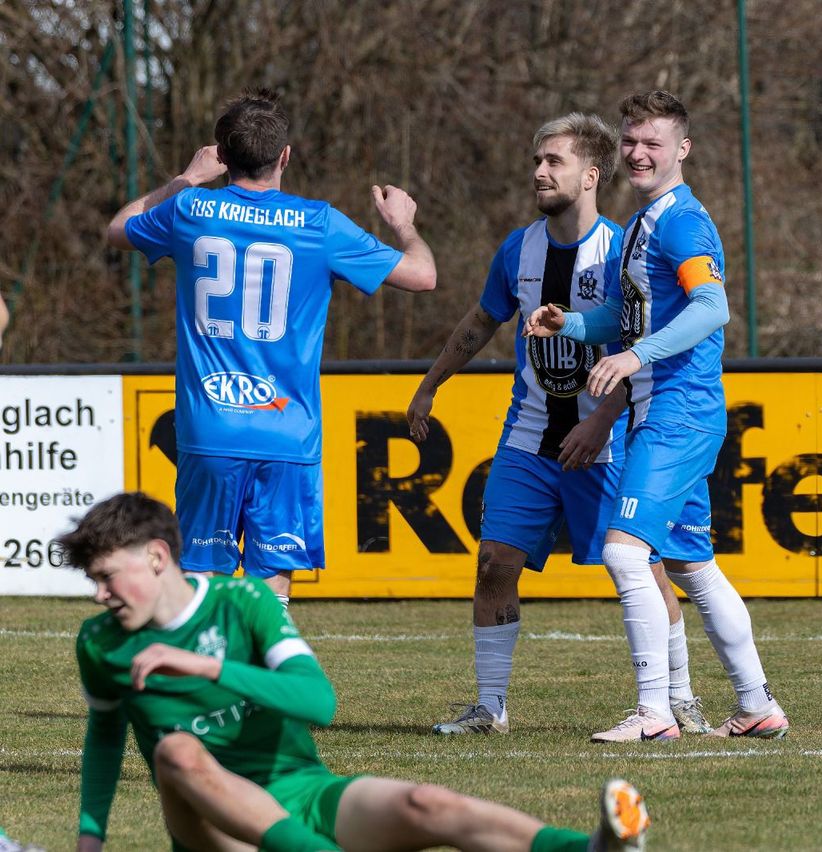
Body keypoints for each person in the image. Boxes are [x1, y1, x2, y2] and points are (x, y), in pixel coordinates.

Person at [62, 491, 651, 852]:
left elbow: (319, 704)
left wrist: (207, 666)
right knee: (177, 755)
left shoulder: (242, 603)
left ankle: (591, 848)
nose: (100, 594)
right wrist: (90, 838)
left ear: (157, 558)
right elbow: (105, 738)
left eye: (107, 575)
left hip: (304, 794)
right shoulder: (101, 642)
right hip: (216, 833)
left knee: (428, 804)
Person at [408, 113, 710, 736]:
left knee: (645, 568)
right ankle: (490, 709)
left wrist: (603, 416)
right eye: (537, 160)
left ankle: (679, 698)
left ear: (592, 174)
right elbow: (478, 323)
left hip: (604, 443)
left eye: (555, 161)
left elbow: (644, 340)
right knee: (494, 561)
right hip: (528, 438)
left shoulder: (626, 247)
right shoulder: (517, 249)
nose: (540, 172)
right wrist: (432, 383)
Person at [106, 88, 436, 609]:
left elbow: (118, 228)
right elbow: (423, 276)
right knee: (273, 582)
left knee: (203, 578)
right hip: (287, 432)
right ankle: (260, 684)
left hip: (211, 426)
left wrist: (186, 178)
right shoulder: (319, 224)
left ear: (222, 155)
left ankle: (212, 683)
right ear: (284, 155)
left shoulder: (190, 209)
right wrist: (403, 225)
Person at [524, 91, 788, 742]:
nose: (640, 153)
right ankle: (756, 705)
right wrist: (575, 323)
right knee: (694, 566)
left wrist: (634, 356)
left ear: (682, 150)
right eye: (632, 141)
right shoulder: (644, 222)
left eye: (654, 143)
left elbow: (711, 308)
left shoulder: (682, 223)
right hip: (660, 411)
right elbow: (634, 315)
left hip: (681, 410)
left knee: (624, 552)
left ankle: (653, 714)